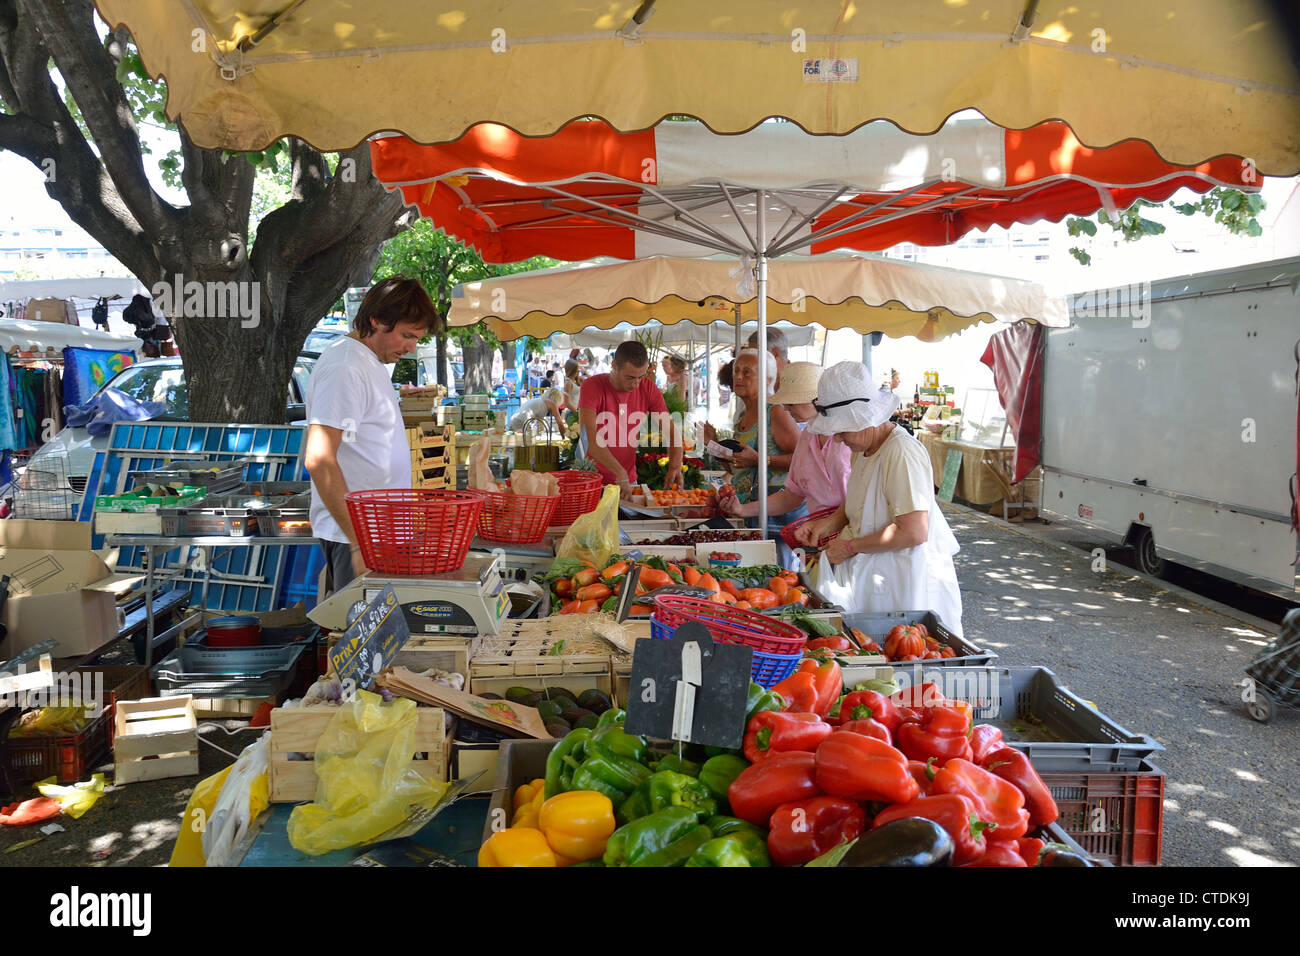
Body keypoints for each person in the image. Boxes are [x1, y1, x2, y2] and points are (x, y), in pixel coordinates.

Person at [794, 361, 963, 635]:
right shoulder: (862, 448)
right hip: (874, 580)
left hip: (903, 585)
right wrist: (828, 524)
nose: (837, 439)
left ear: (864, 419)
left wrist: (850, 547)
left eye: (842, 430)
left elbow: (914, 531)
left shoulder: (901, 453)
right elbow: (857, 502)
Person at [303, 277, 439, 593]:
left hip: (382, 536)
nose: (410, 348)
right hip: (364, 540)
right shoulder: (345, 366)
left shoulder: (369, 361)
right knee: (364, 637)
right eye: (407, 336)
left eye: (416, 339)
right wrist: (357, 543)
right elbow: (319, 459)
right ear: (376, 321)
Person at [719, 361, 852, 545]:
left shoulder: (849, 440)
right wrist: (743, 510)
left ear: (816, 401)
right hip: (821, 538)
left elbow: (858, 501)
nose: (786, 409)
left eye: (791, 403)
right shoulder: (808, 436)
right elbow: (792, 496)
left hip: (851, 538)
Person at [579, 339, 682, 499]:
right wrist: (620, 472)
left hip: (628, 481)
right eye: (629, 377)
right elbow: (589, 440)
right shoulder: (592, 386)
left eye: (640, 377)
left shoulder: (648, 388)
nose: (636, 383)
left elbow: (670, 431)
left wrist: (675, 465)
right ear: (614, 365)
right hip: (593, 482)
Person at [725, 349, 803, 558]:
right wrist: (715, 446)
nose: (738, 377)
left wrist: (761, 460)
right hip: (751, 509)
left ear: (768, 379)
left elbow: (803, 459)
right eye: (736, 371)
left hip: (777, 513)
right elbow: (740, 465)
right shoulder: (743, 414)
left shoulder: (775, 411)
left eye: (747, 372)